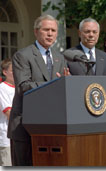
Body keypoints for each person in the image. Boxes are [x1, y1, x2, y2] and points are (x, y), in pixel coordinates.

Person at [7, 14, 69, 166]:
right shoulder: (23, 55)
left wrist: (66, 83)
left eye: (53, 30)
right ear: (36, 31)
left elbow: (60, 89)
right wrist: (56, 84)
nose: (50, 34)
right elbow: (23, 86)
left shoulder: (59, 57)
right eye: (46, 29)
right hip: (25, 125)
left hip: (52, 127)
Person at [0, 58, 14, 166]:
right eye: (13, 70)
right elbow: (9, 112)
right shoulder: (2, 88)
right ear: (5, 72)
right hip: (6, 138)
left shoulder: (20, 88)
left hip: (18, 138)